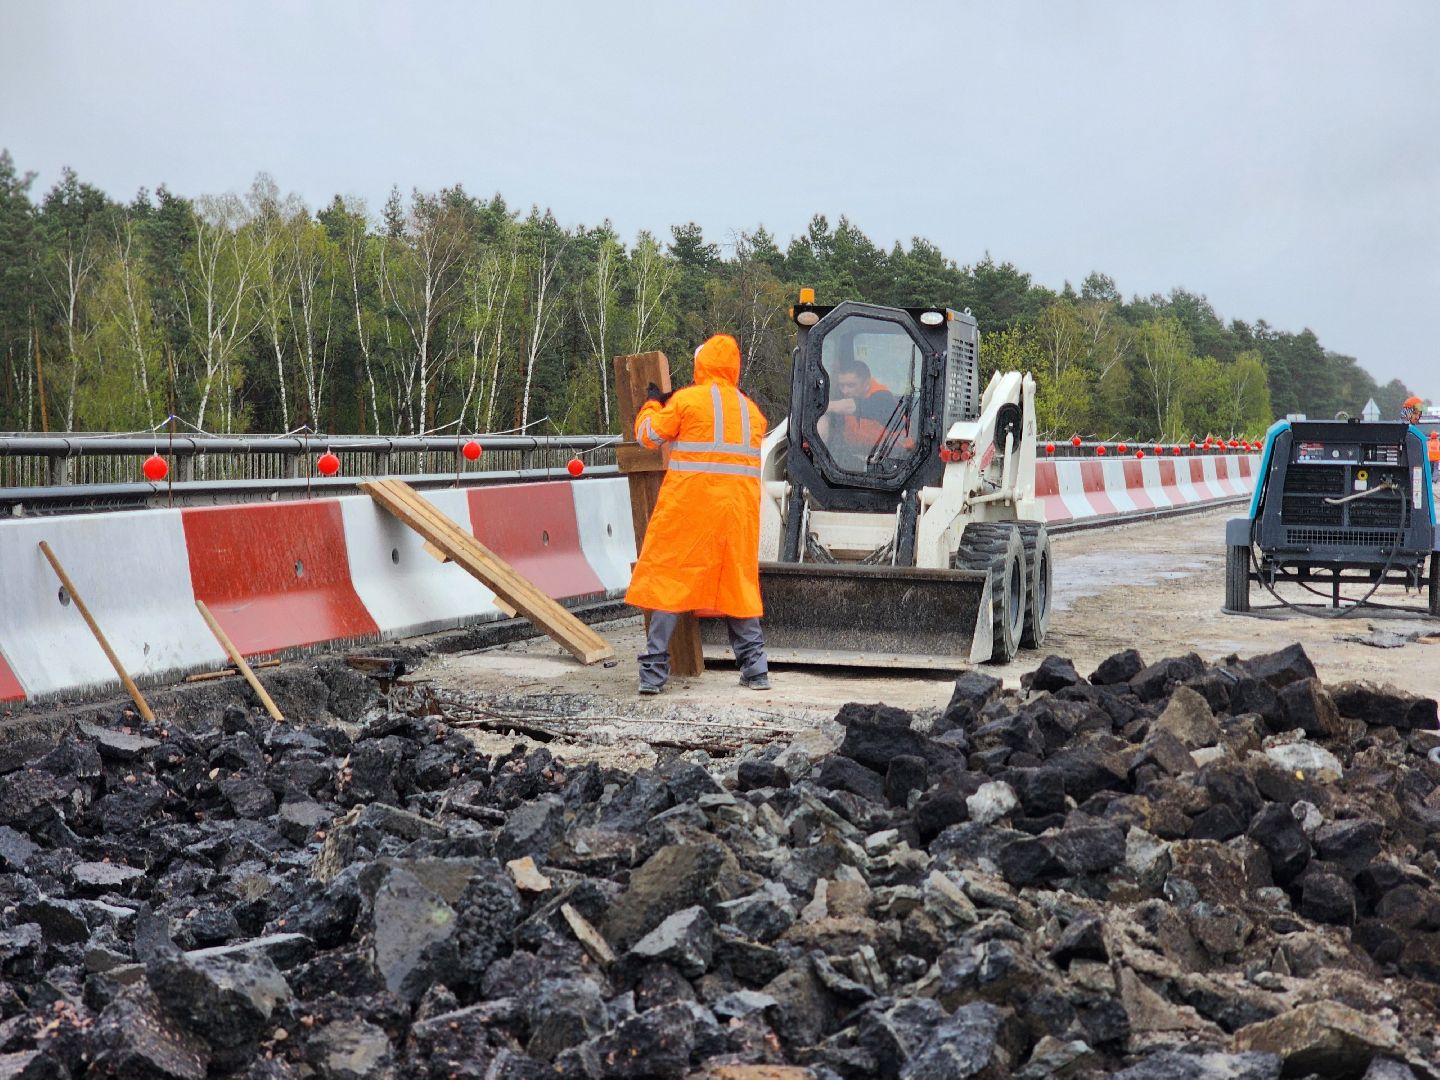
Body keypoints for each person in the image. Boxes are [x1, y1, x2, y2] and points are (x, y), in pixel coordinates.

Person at [626, 333, 770, 695]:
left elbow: (648, 437)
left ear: (701, 364)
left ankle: (653, 673)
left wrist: (652, 404)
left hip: (690, 508)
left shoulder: (687, 401)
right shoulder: (752, 413)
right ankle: (756, 670)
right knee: (737, 583)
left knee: (670, 580)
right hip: (736, 514)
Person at [817, 358, 899, 463]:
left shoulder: (882, 397)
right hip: (859, 453)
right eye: (842, 385)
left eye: (851, 385)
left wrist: (820, 408)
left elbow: (854, 406)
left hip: (895, 456)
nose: (845, 391)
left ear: (866, 383)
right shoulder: (841, 399)